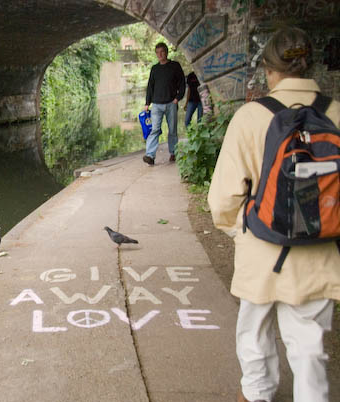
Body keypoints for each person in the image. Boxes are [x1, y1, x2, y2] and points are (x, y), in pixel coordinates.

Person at [207, 27, 340, 402]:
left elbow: (223, 200)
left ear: (268, 70)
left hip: (261, 248)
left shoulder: (251, 116)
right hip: (320, 250)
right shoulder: (335, 112)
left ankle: (256, 393)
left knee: (254, 330)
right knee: (310, 344)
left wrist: (244, 232)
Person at [143, 42, 185, 165]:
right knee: (155, 129)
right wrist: (147, 103)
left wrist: (178, 98)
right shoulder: (155, 69)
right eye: (157, 53)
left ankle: (173, 152)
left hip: (171, 103)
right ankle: (150, 155)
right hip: (156, 104)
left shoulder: (175, 66)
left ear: (166, 52)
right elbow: (150, 86)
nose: (160, 55)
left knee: (172, 130)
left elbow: (182, 83)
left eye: (162, 52)